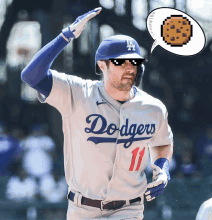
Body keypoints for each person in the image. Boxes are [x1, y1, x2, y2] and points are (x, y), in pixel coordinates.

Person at [21, 7, 173, 220]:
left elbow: (162, 142)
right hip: (82, 210)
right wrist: (66, 36)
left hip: (128, 209)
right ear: (102, 65)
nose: (130, 67)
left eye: (135, 61)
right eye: (120, 62)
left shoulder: (153, 107)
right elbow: (31, 76)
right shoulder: (77, 92)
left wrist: (162, 170)